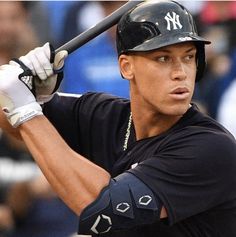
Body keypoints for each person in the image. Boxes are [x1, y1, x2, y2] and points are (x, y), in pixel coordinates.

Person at [0, 1, 236, 237]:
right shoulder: (104, 115)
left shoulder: (211, 147)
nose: (180, 73)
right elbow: (13, 120)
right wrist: (23, 89)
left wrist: (27, 110)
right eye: (163, 58)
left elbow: (103, 212)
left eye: (189, 57)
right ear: (126, 66)